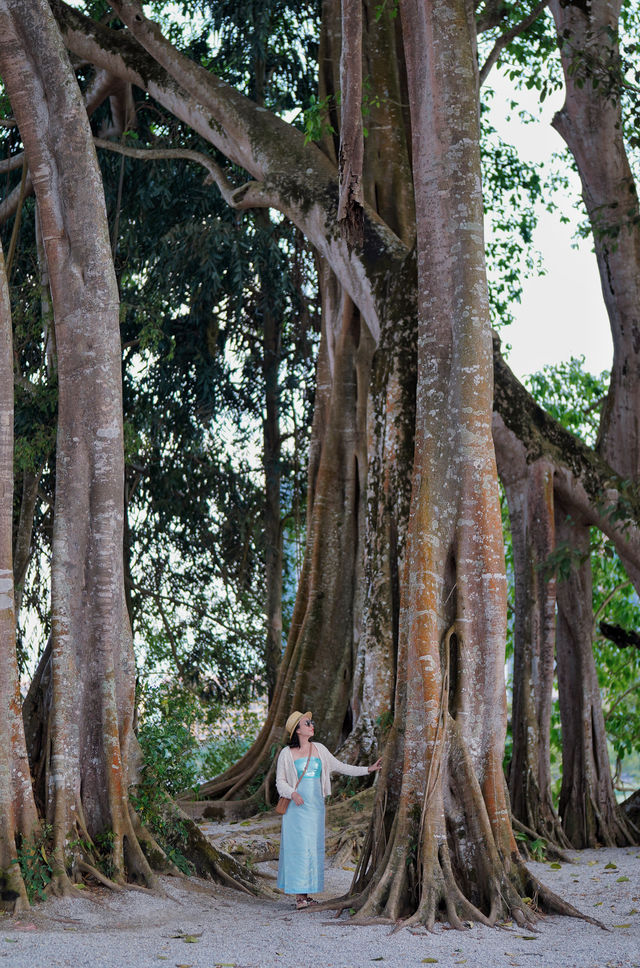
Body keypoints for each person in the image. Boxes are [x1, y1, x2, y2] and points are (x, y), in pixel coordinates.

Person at [275, 709, 382, 910]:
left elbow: (342, 767)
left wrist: (368, 769)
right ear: (297, 731)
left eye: (311, 722)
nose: (311, 725)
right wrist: (292, 793)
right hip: (296, 810)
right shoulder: (286, 754)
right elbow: (280, 781)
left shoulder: (319, 750)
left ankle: (306, 894)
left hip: (315, 807)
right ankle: (299, 897)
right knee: (298, 848)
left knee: (311, 849)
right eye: (307, 723)